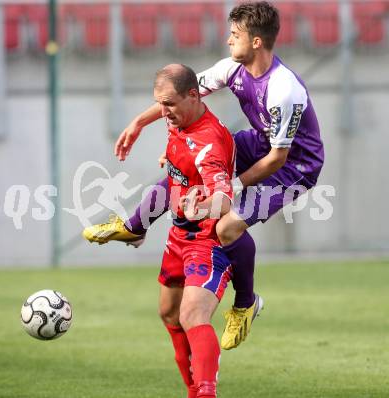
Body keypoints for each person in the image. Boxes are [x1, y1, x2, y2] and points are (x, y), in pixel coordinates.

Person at [83, 1, 324, 350]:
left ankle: (245, 304)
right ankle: (135, 225)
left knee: (227, 226)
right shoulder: (233, 69)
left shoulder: (285, 90)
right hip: (259, 143)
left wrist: (235, 185)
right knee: (188, 165)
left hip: (296, 166)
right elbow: (181, 92)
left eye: (235, 34)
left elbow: (278, 157)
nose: (229, 40)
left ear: (256, 41)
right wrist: (138, 122)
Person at [141, 63, 235, 398]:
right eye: (159, 103)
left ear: (193, 95)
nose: (162, 112)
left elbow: (224, 200)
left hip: (207, 241)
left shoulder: (209, 143)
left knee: (192, 314)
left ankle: (205, 393)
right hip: (179, 236)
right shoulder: (180, 121)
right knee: (168, 312)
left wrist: (203, 207)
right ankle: (193, 390)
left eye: (168, 103)